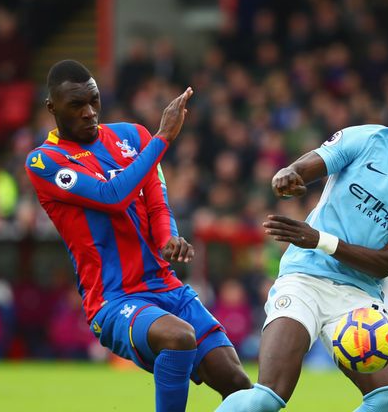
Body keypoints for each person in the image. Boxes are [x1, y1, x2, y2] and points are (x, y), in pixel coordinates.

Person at [215, 81, 388, 412]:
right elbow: (303, 168)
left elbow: (387, 262)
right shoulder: (364, 139)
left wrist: (319, 240)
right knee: (267, 397)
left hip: (358, 295)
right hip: (304, 277)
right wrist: (287, 176)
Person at [25, 60, 251, 412]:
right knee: (178, 338)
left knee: (239, 385)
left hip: (165, 286)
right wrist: (163, 138)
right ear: (52, 108)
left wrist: (168, 238)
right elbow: (111, 196)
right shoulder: (44, 162)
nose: (88, 112)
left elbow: (158, 206)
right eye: (76, 105)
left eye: (94, 101)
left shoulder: (132, 137)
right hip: (113, 299)